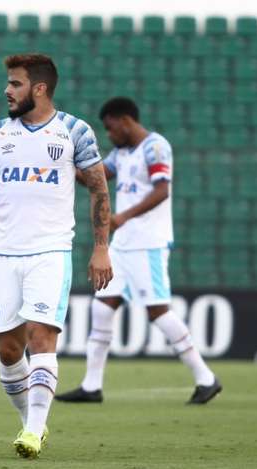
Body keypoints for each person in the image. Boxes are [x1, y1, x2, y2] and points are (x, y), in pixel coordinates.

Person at [0, 54, 113, 459]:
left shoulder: (75, 131)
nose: (7, 90)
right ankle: (30, 422)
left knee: (42, 338)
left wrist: (101, 247)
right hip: (2, 252)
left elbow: (98, 189)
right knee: (7, 350)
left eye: (15, 84)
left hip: (50, 250)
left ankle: (34, 433)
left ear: (39, 88)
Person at [55, 97, 223, 405]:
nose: (109, 134)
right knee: (102, 307)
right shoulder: (122, 153)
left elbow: (163, 190)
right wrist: (66, 160)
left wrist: (123, 216)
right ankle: (92, 386)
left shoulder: (155, 147)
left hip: (149, 243)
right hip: (123, 245)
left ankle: (206, 378)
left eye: (110, 127)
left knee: (157, 310)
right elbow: (93, 178)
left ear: (125, 120)